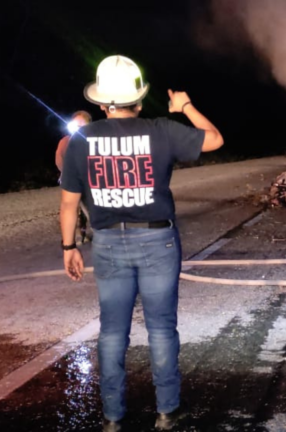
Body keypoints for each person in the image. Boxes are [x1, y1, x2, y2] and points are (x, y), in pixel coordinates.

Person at [59, 55, 224, 432]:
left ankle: (113, 418)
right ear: (138, 98)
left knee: (112, 332)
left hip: (107, 245)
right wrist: (185, 106)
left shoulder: (80, 142)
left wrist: (69, 247)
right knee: (161, 329)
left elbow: (68, 204)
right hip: (157, 241)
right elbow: (215, 139)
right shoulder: (161, 130)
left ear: (103, 102)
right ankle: (167, 412)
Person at [56, 111, 93, 243]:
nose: (78, 127)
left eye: (81, 124)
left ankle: (98, 231)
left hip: (91, 181)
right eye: (75, 124)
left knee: (90, 208)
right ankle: (76, 236)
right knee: (72, 208)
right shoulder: (66, 141)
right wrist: (68, 176)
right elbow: (59, 160)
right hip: (73, 182)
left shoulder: (93, 140)